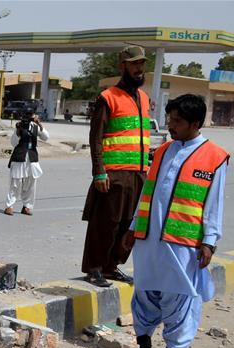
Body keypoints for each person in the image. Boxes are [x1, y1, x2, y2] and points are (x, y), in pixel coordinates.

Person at [122, 94, 227, 348]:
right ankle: (143, 335)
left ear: (195, 123)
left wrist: (209, 241)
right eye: (170, 119)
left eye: (177, 121)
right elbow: (147, 191)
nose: (171, 125)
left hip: (182, 241)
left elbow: (214, 202)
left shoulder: (214, 157)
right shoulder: (164, 150)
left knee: (178, 294)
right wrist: (134, 227)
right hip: (149, 236)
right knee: (145, 288)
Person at [81, 45, 151, 288]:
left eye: (142, 63)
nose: (139, 68)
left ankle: (112, 266)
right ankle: (95, 268)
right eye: (134, 64)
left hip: (139, 173)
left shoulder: (144, 98)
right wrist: (99, 171)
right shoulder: (108, 97)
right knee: (105, 223)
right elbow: (96, 137)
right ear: (123, 66)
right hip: (113, 173)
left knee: (128, 223)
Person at [5, 109, 49, 216]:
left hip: (32, 158)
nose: (28, 117)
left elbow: (46, 137)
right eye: (27, 115)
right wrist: (17, 131)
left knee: (31, 183)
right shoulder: (19, 126)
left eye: (31, 115)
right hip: (19, 156)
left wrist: (39, 124)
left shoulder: (35, 126)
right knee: (16, 183)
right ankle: (9, 206)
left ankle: (27, 206)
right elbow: (13, 143)